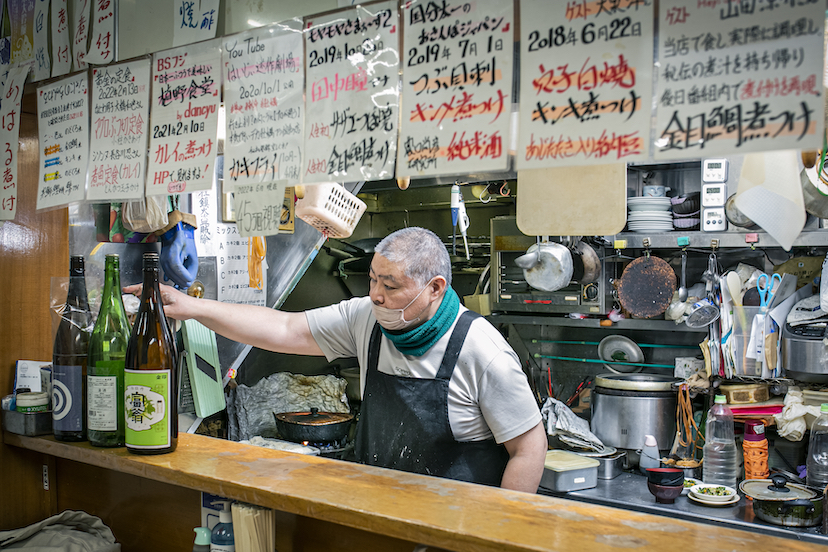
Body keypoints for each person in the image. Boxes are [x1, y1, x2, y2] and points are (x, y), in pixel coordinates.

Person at [126, 227, 547, 492]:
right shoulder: (367, 317)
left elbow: (529, 448)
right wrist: (191, 307)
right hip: (375, 514)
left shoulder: (482, 349)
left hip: (455, 527)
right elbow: (284, 329)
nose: (376, 294)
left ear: (435, 288)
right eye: (373, 279)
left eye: (392, 285)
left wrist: (497, 530)